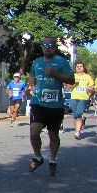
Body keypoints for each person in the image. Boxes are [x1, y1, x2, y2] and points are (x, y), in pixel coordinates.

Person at [27, 36, 74, 176]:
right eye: (44, 45)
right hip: (38, 103)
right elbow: (31, 76)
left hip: (56, 105)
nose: (47, 48)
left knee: (53, 134)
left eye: (50, 45)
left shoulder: (62, 61)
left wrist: (55, 74)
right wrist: (31, 83)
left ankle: (52, 160)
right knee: (34, 132)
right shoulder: (36, 62)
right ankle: (38, 156)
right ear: (41, 47)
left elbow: (71, 80)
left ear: (55, 47)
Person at [68, 63, 95, 140]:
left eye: (80, 66)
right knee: (75, 115)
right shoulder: (73, 76)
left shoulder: (87, 77)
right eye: (77, 67)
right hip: (74, 97)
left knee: (79, 114)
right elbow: (68, 86)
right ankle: (78, 127)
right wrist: (73, 83)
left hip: (83, 98)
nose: (79, 68)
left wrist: (89, 88)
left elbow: (92, 88)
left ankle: (77, 132)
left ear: (83, 68)